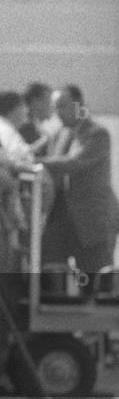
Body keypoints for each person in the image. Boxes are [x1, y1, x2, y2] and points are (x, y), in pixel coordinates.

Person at [38, 85, 119, 274]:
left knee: (95, 280)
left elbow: (74, 163)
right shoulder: (61, 134)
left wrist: (36, 162)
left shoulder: (97, 134)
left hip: (91, 223)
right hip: (60, 218)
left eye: (63, 106)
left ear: (79, 105)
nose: (58, 113)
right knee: (51, 276)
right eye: (55, 107)